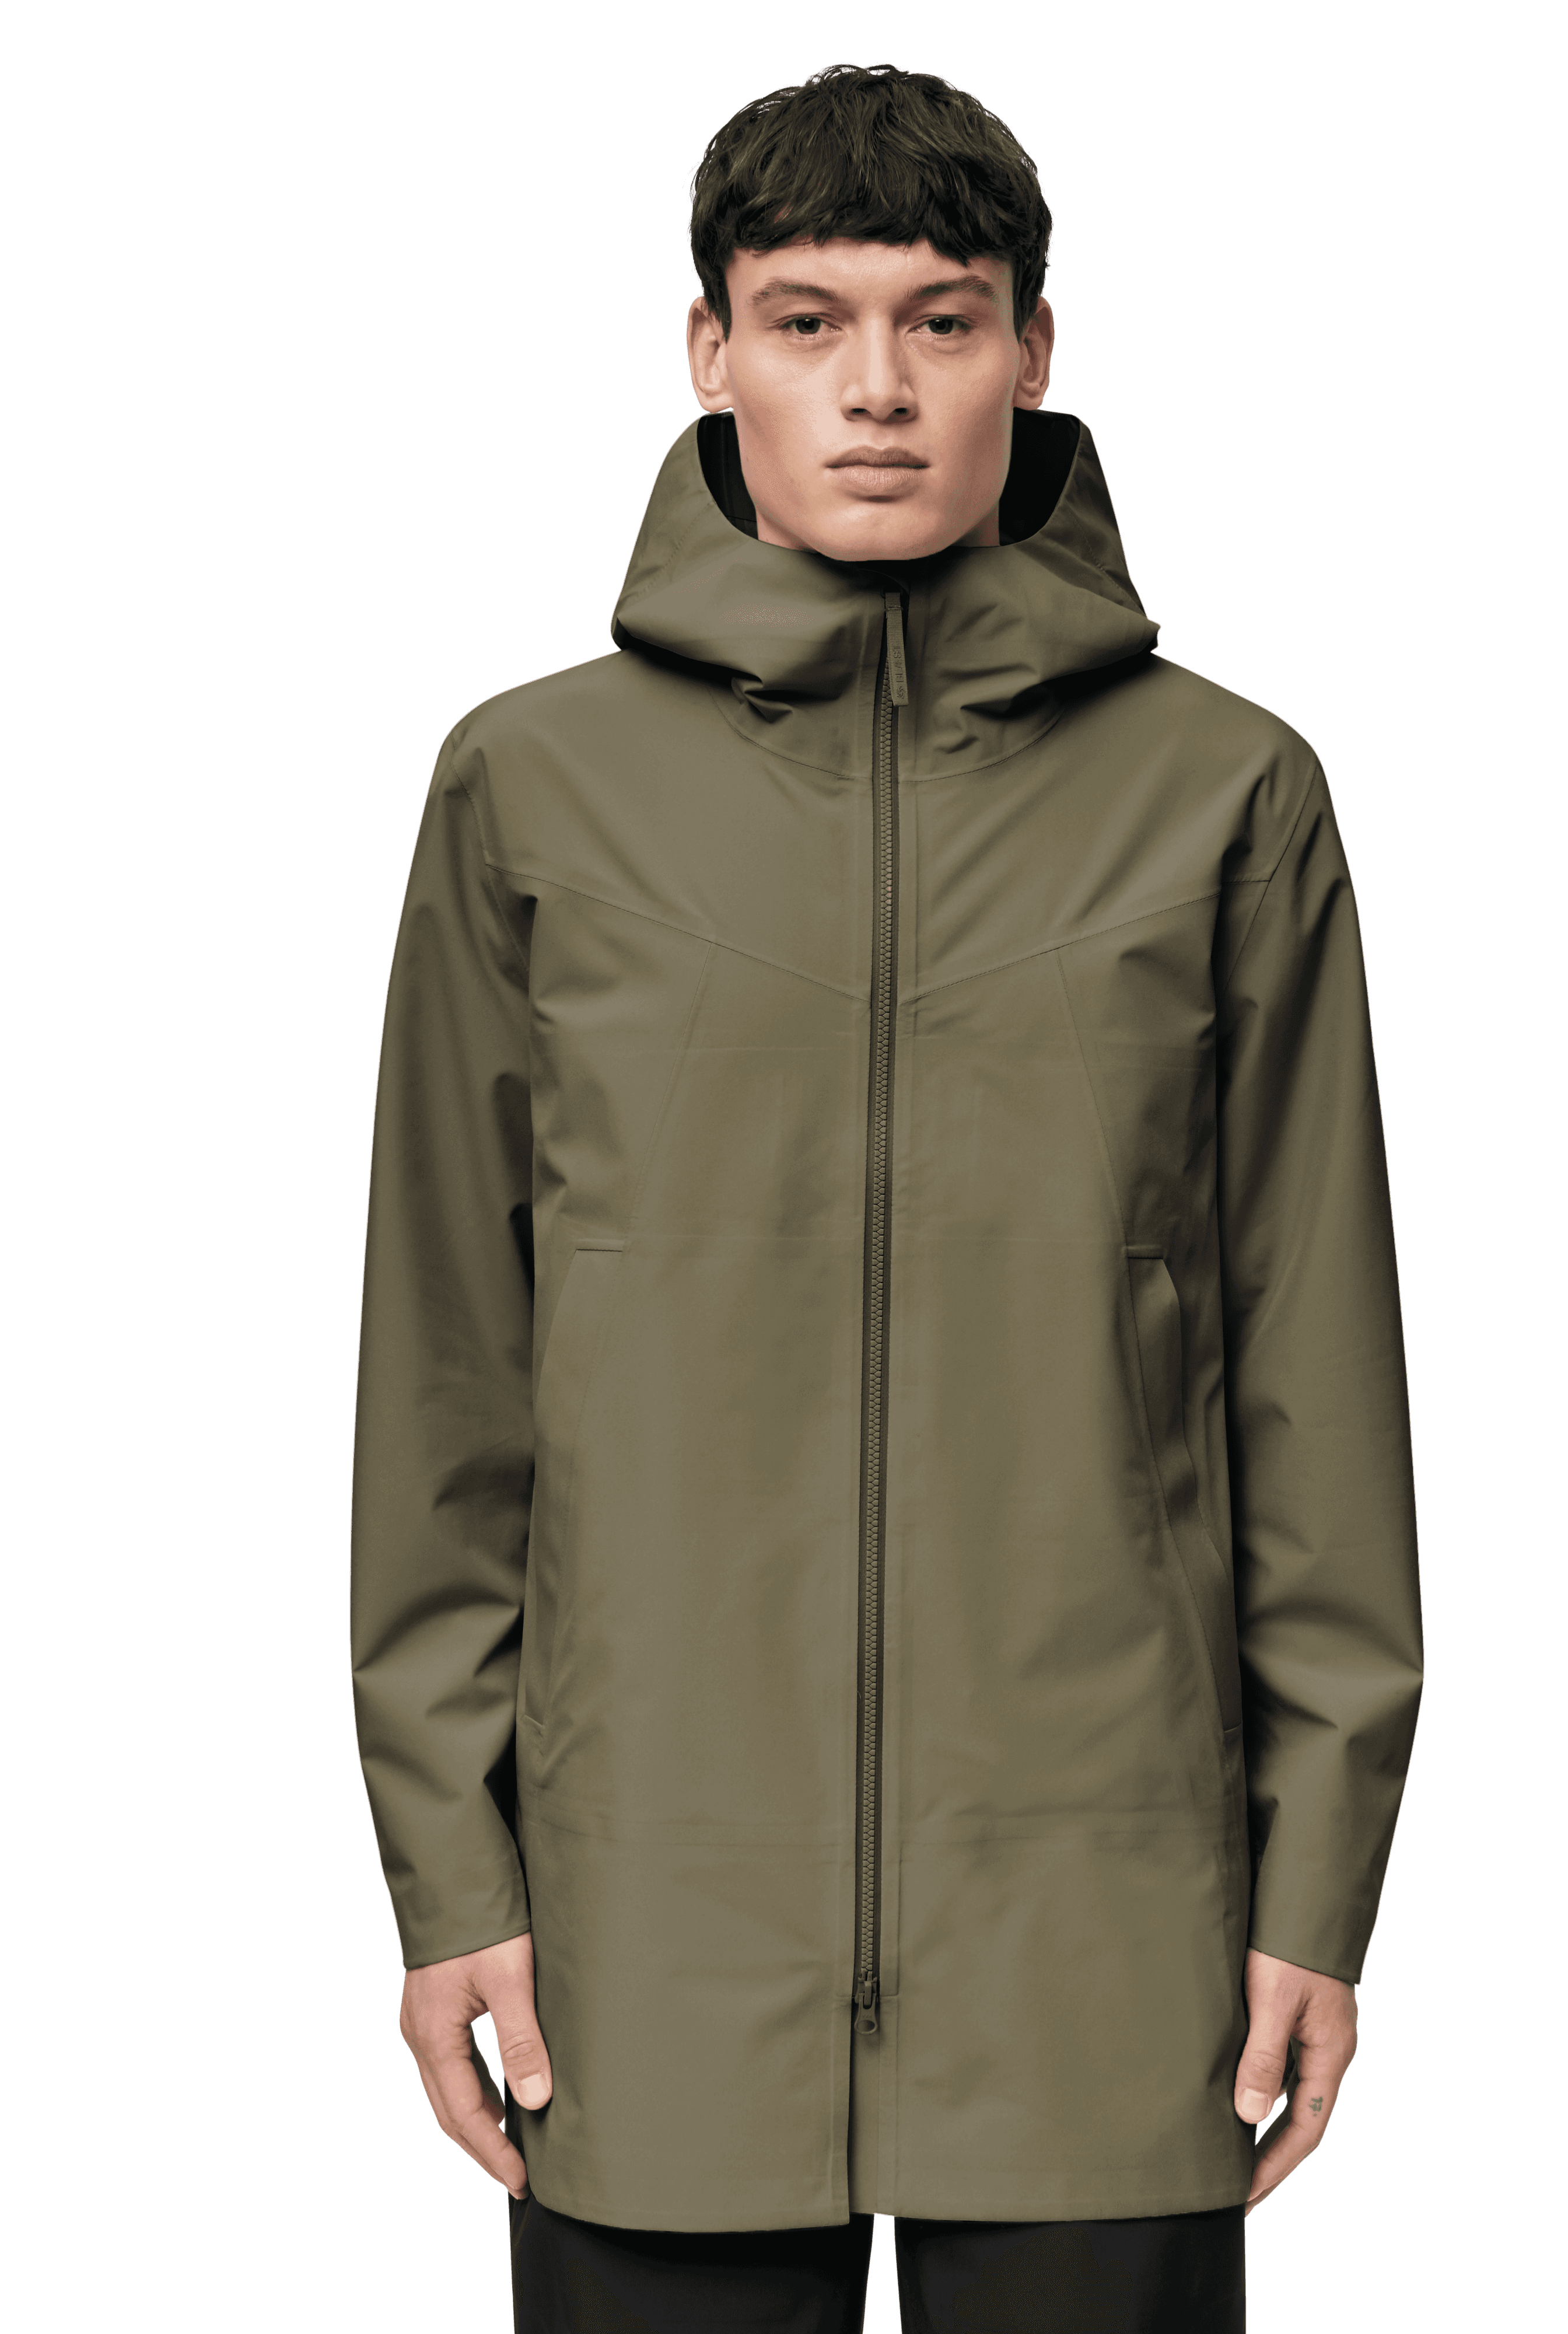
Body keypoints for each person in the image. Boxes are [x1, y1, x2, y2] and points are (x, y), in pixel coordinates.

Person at [349, 61, 1423, 2334]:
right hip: (648, 1930)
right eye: (808, 320)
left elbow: (1315, 1380)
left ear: (1032, 352)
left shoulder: (1228, 795)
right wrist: (453, 1873)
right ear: (708, 351)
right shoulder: (527, 788)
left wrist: (1316, 1883)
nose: (876, 390)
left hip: (1109, 1923)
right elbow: (449, 1375)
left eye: (942, 321)